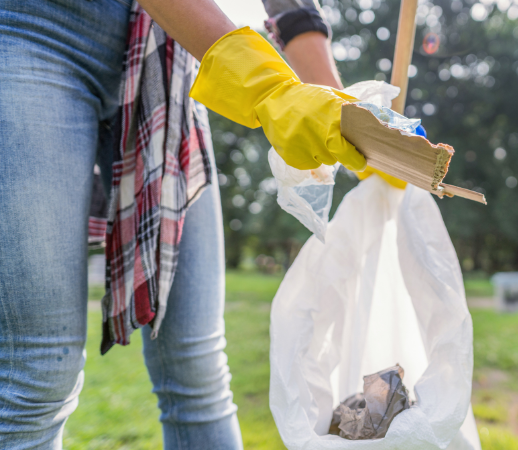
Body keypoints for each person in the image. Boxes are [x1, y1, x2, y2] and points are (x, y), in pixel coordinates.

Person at [0, 0, 364, 449]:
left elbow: (292, 9)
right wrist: (267, 86)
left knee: (198, 369)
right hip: (33, 26)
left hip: (164, 53)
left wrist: (351, 116)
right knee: (36, 377)